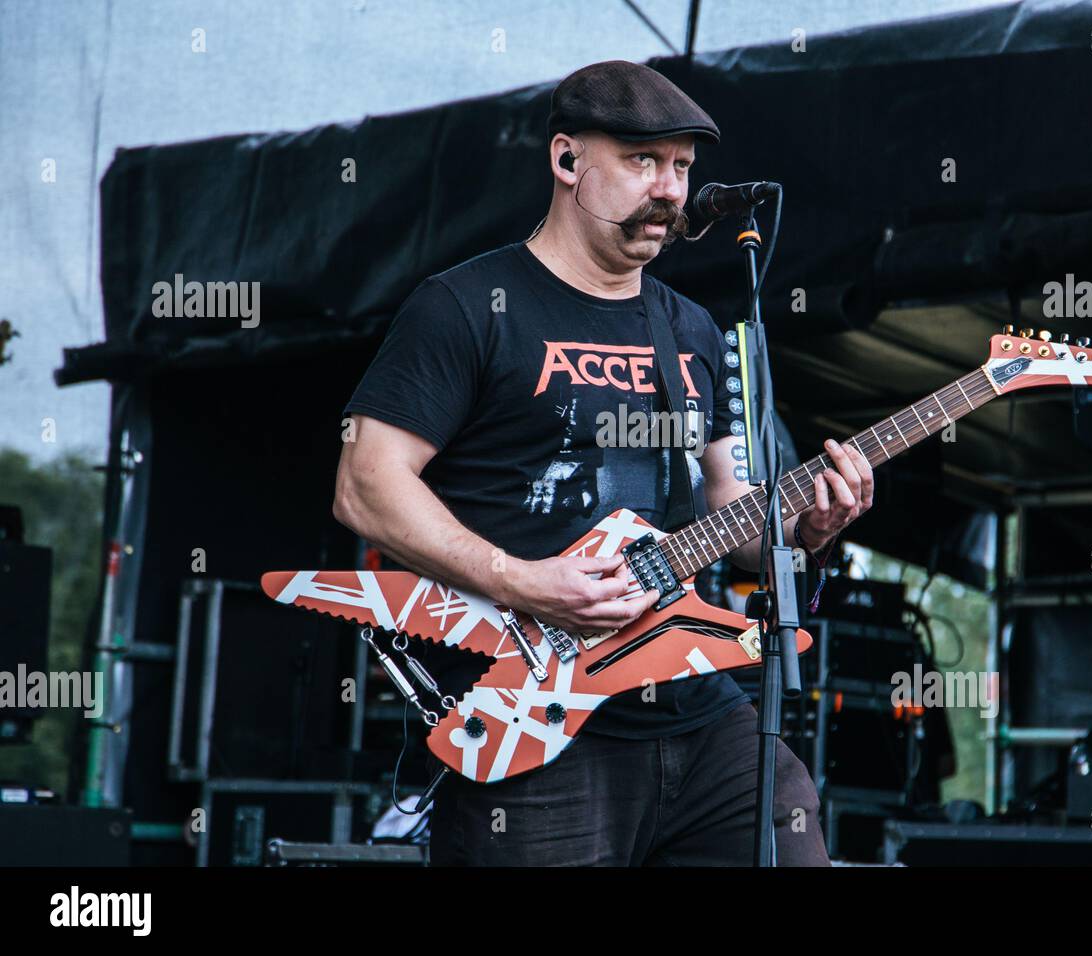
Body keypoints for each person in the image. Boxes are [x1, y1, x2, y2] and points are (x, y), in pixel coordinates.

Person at [333, 60, 874, 865]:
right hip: (538, 712)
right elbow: (365, 484)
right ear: (565, 161)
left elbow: (739, 513)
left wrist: (809, 529)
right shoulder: (466, 305)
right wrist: (519, 578)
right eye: (642, 161)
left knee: (786, 816)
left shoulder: (694, 329)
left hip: (690, 704)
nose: (669, 189)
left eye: (683, 168)